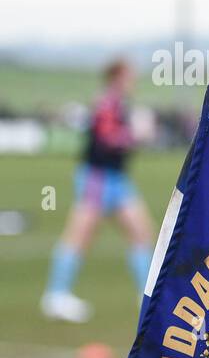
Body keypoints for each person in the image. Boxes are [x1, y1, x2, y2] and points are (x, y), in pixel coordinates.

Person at [41, 58, 154, 323]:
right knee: (79, 235)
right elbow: (107, 139)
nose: (134, 80)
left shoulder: (119, 104)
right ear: (117, 77)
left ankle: (147, 297)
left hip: (116, 179)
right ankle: (56, 296)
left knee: (142, 232)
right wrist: (136, 135)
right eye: (130, 75)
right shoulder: (107, 103)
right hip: (97, 178)